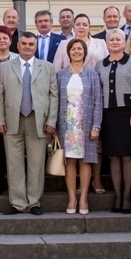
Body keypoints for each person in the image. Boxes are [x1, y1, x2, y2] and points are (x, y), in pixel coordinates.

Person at [0, 32, 58, 215]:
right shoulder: (6, 67)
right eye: (24, 44)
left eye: (31, 44)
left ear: (36, 46)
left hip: (38, 120)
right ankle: (17, 202)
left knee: (36, 162)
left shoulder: (47, 67)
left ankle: (34, 202)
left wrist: (51, 120)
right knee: (13, 163)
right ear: (18, 45)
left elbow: (54, 96)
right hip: (12, 120)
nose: (28, 47)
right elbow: (0, 96)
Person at [96, 29, 131, 214]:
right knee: (114, 156)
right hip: (108, 114)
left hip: (128, 113)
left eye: (118, 39)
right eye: (112, 39)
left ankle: (127, 196)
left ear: (124, 42)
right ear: (107, 43)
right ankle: (117, 196)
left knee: (127, 155)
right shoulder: (100, 64)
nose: (115, 42)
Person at [56, 38, 102, 215]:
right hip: (66, 123)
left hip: (86, 122)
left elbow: (98, 101)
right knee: (70, 161)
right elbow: (56, 100)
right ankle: (72, 198)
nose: (76, 51)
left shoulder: (92, 74)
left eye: (79, 49)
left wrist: (96, 126)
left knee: (85, 161)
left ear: (85, 52)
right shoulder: (60, 75)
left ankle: (83, 198)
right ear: (68, 53)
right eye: (73, 49)